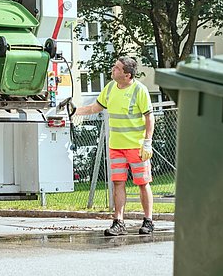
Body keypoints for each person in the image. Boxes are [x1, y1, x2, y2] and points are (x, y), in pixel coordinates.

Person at [60, 56, 155, 236]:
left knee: (143, 183)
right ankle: (118, 221)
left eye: (117, 68)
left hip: (136, 147)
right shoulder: (110, 88)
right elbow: (94, 108)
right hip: (116, 146)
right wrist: (74, 111)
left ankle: (148, 221)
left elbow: (149, 117)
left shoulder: (139, 90)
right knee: (117, 183)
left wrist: (147, 142)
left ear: (127, 75)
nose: (113, 69)